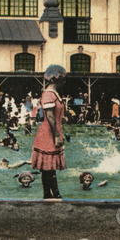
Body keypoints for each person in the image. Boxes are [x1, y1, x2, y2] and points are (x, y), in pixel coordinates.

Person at [31, 64, 67, 199]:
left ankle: (49, 194)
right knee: (48, 168)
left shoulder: (53, 94)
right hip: (49, 134)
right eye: (62, 79)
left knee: (49, 168)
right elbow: (50, 116)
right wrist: (57, 135)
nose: (64, 82)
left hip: (52, 131)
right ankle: (53, 194)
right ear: (56, 79)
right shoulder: (48, 94)